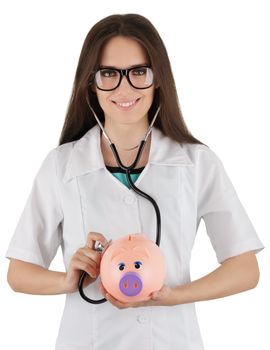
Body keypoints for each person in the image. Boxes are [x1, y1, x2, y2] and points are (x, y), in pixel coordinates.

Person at [6, 13, 264, 350]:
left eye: (138, 72)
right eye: (109, 74)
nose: (124, 88)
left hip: (172, 340)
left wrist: (173, 296)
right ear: (90, 81)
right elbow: (19, 272)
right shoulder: (62, 165)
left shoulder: (196, 162)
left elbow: (245, 269)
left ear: (158, 79)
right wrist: (67, 280)